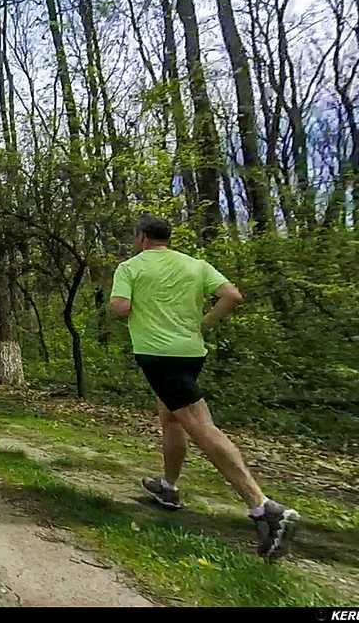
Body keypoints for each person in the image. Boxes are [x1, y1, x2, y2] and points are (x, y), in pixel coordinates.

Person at [109, 214, 300, 560]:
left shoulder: (131, 267)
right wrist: (203, 323)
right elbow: (231, 295)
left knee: (200, 426)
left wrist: (135, 306)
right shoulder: (196, 265)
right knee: (170, 418)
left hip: (157, 355)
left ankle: (265, 508)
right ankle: (168, 489)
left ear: (141, 238)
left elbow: (120, 308)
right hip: (191, 352)